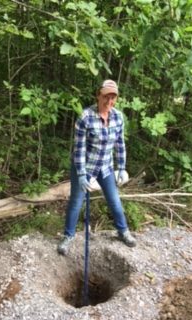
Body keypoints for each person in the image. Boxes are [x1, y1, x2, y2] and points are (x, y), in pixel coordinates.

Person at [57, 79, 136, 255]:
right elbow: (78, 150)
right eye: (106, 97)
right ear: (98, 95)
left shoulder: (118, 117)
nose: (109, 101)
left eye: (113, 98)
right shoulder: (85, 117)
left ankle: (123, 231)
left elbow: (120, 144)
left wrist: (122, 167)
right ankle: (68, 236)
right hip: (85, 167)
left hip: (106, 167)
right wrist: (82, 174)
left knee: (114, 200)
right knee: (76, 202)